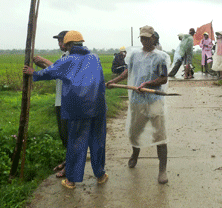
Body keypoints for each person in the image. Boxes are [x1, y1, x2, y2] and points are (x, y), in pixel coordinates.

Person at [23, 31, 108, 190]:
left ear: (68, 45)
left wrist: (33, 73)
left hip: (79, 108)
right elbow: (101, 80)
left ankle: (71, 181)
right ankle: (101, 175)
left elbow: (49, 72)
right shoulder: (94, 58)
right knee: (98, 141)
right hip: (98, 107)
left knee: (76, 142)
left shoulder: (67, 60)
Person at [106, 25, 171, 184]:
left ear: (154, 38)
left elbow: (163, 79)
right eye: (142, 38)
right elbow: (128, 72)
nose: (144, 41)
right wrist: (114, 81)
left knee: (160, 136)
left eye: (147, 38)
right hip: (137, 101)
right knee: (135, 132)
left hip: (154, 101)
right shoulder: (135, 55)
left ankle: (162, 170)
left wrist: (149, 83)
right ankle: (135, 154)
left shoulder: (160, 57)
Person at [31, 30, 69, 178]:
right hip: (60, 101)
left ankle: (69, 167)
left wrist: (46, 62)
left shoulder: (72, 57)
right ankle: (67, 162)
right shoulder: (63, 56)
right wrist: (42, 66)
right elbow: (55, 72)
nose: (60, 44)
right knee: (64, 135)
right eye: (58, 41)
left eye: (62, 41)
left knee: (68, 135)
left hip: (67, 102)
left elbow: (62, 71)